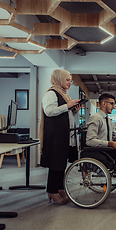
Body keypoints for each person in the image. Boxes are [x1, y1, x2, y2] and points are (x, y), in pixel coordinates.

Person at [39, 69, 81, 205]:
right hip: (55, 135)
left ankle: (60, 188)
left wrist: (73, 110)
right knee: (55, 164)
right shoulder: (51, 93)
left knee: (61, 163)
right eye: (67, 79)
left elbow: (64, 115)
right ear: (59, 79)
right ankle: (52, 190)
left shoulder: (64, 95)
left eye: (70, 80)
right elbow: (49, 111)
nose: (69, 82)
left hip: (63, 134)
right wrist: (67, 106)